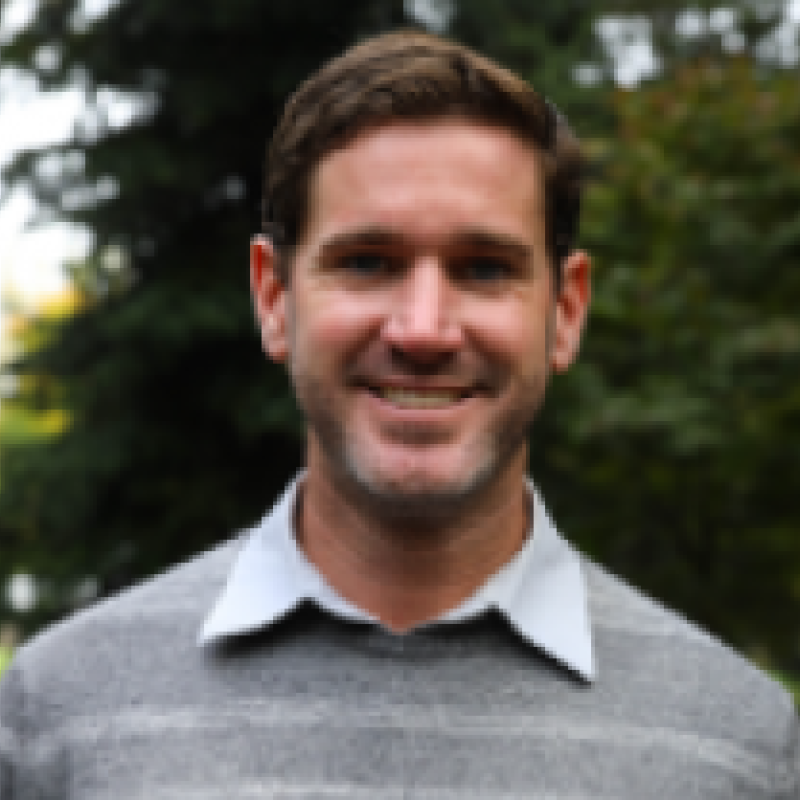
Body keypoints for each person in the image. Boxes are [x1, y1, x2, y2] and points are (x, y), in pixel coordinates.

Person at [1, 29, 797, 800]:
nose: (422, 330)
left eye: (484, 269)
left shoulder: (740, 748)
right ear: (274, 298)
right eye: (366, 263)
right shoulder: (58, 718)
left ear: (566, 310)